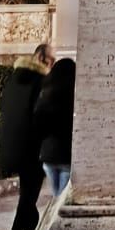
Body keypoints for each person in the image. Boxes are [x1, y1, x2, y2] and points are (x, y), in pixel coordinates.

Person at [0, 43, 54, 230]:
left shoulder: (15, 78)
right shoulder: (40, 81)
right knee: (29, 192)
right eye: (50, 61)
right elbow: (41, 113)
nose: (52, 65)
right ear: (41, 58)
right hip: (31, 146)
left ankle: (29, 227)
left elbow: (2, 106)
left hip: (13, 142)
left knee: (28, 191)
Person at [33, 58, 76, 197]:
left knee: (56, 196)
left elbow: (38, 125)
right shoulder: (73, 99)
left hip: (48, 155)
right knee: (60, 198)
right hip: (65, 157)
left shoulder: (45, 95)